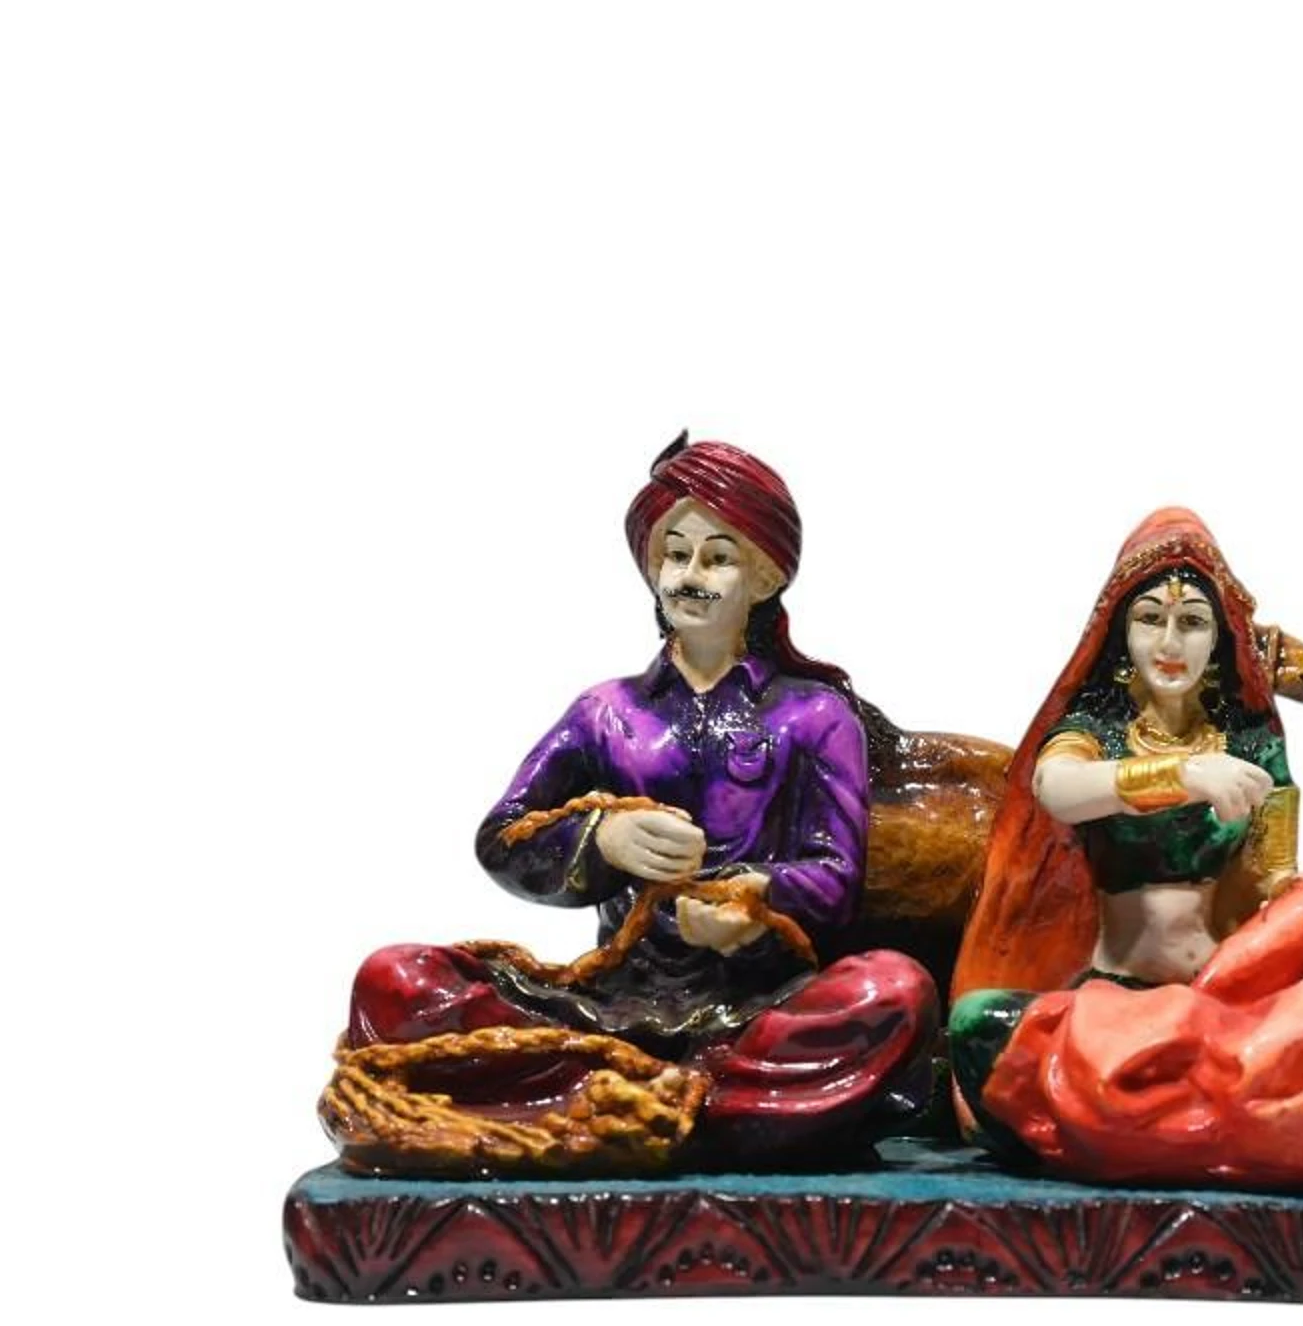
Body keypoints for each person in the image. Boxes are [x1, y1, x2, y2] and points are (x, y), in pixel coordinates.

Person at [344, 436, 938, 1162]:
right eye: (675, 555)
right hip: (610, 1002)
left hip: (757, 1006)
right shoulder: (606, 712)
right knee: (395, 979)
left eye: (718, 558)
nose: (691, 576)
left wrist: (753, 898)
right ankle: (691, 1111)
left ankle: (621, 1106)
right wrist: (600, 842)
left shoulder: (814, 716)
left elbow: (836, 877)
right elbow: (501, 839)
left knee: (894, 991)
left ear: (765, 577)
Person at [948, 507, 1303, 1186]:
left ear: (1220, 637)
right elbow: (1057, 788)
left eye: (1192, 622)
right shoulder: (1093, 732)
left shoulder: (1251, 744)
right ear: (1121, 634)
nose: (1169, 642)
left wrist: (1296, 899)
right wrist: (1181, 775)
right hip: (1124, 1001)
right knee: (981, 1026)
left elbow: (1270, 873)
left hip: (1226, 996)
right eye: (1150, 619)